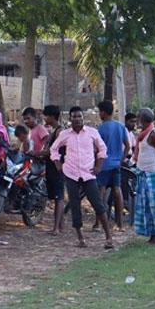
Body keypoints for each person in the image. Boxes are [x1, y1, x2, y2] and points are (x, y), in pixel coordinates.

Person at [50, 106, 113, 249]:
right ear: (70, 119)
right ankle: (80, 238)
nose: (77, 119)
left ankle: (108, 237)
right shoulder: (65, 134)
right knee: (74, 204)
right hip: (71, 173)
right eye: (74, 117)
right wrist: (58, 164)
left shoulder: (92, 132)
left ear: (83, 118)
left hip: (88, 173)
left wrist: (98, 166)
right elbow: (53, 149)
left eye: (79, 116)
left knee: (98, 204)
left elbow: (102, 149)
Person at [134, 108, 155, 244]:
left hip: (153, 175)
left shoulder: (154, 135)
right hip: (143, 174)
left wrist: (154, 166)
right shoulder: (143, 134)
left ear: (143, 120)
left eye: (139, 119)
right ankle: (152, 235)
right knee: (147, 206)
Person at [95, 100, 130, 231]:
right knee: (117, 190)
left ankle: (99, 223)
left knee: (101, 193)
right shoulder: (120, 127)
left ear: (103, 112)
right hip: (116, 164)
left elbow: (96, 148)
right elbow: (127, 145)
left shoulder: (100, 128)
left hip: (103, 164)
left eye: (99, 112)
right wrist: (121, 159)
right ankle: (119, 223)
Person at [38, 105, 65, 235]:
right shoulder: (53, 131)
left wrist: (38, 153)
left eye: (46, 115)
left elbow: (54, 150)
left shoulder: (59, 131)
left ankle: (57, 228)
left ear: (52, 117)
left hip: (57, 167)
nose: (44, 118)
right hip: (51, 166)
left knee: (59, 197)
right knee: (56, 196)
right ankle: (60, 226)